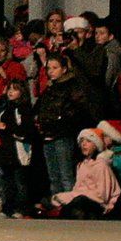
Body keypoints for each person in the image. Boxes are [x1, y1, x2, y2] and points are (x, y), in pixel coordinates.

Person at [35, 51, 96, 197]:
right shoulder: (50, 88)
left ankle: (70, 206)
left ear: (64, 69)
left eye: (54, 68)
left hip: (63, 136)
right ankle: (57, 205)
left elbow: (78, 110)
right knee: (53, 176)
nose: (51, 71)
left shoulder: (72, 86)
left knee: (66, 174)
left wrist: (59, 121)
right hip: (47, 135)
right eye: (49, 68)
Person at [0, 79, 39, 217]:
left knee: (19, 181)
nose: (10, 91)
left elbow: (25, 130)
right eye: (9, 88)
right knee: (6, 181)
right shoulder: (4, 107)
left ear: (22, 92)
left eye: (15, 89)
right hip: (5, 151)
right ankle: (6, 209)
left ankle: (21, 209)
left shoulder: (23, 109)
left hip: (18, 151)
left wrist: (6, 127)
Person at [51, 128, 121, 218]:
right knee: (52, 199)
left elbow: (102, 196)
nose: (83, 144)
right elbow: (77, 189)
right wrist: (69, 196)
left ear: (95, 145)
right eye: (82, 141)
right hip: (81, 199)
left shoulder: (101, 165)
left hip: (98, 204)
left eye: (88, 141)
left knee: (79, 201)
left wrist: (76, 196)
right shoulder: (81, 165)